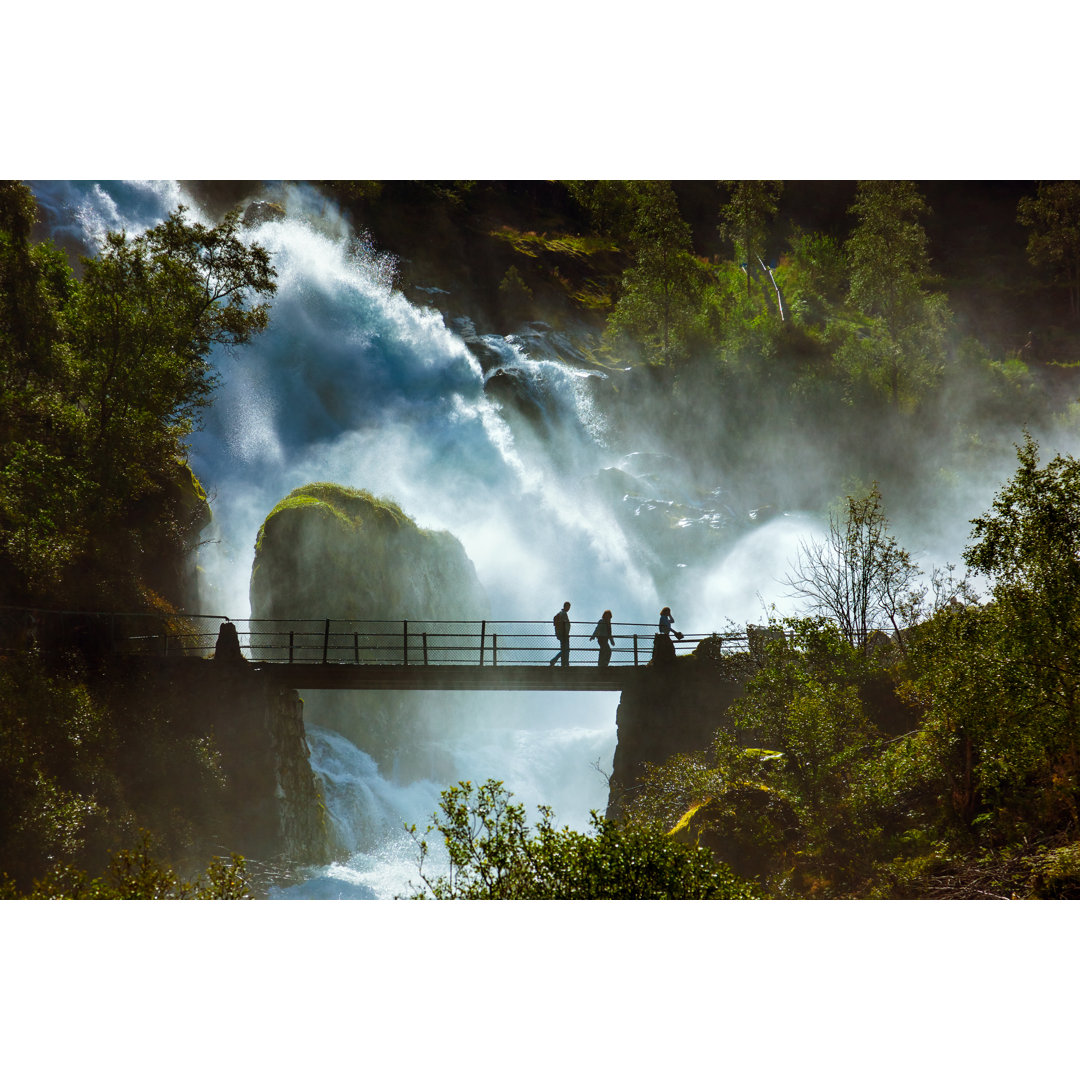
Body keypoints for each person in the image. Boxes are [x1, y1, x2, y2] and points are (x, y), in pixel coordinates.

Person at [550, 601, 571, 667]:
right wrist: (566, 634)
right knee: (566, 650)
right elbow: (565, 624)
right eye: (568, 607)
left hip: (561, 634)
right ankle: (556, 661)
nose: (569, 608)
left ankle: (563, 663)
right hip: (564, 635)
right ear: (566, 606)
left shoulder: (560, 613)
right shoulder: (563, 614)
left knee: (564, 650)